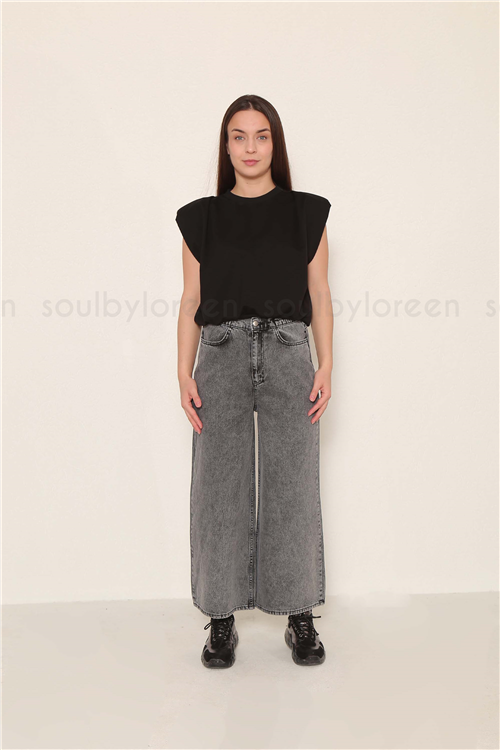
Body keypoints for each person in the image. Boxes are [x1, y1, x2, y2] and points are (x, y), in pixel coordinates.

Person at [176, 94, 333, 669]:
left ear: (275, 143)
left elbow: (319, 293)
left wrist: (326, 364)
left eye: (261, 136)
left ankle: (299, 614)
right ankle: (220, 619)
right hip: (219, 355)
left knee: (292, 483)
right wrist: (182, 372)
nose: (250, 147)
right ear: (226, 146)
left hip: (290, 352)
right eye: (239, 136)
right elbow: (190, 299)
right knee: (218, 487)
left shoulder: (306, 213)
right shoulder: (200, 218)